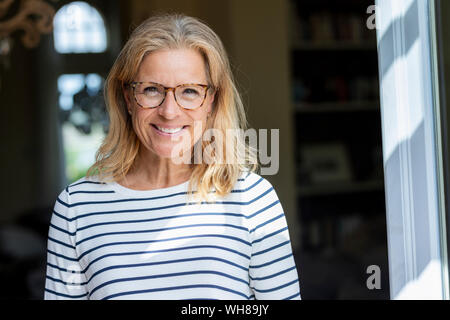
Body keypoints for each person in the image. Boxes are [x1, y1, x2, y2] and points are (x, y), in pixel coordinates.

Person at [44, 13, 301, 300]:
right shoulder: (77, 209)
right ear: (128, 99)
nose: (169, 111)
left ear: (211, 102)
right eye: (152, 89)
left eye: (189, 91)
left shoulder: (253, 199)